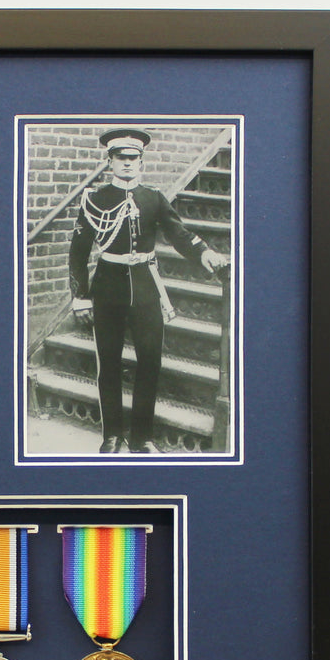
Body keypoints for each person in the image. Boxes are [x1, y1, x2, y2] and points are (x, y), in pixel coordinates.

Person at [68, 128, 226, 453]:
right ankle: (112, 435)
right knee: (108, 363)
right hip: (107, 288)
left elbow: (179, 234)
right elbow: (78, 253)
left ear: (141, 162)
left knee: (150, 362)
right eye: (121, 157)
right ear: (110, 161)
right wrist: (80, 296)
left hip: (145, 288)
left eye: (133, 157)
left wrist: (204, 253)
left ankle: (142, 438)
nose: (127, 163)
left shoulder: (154, 198)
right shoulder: (94, 200)